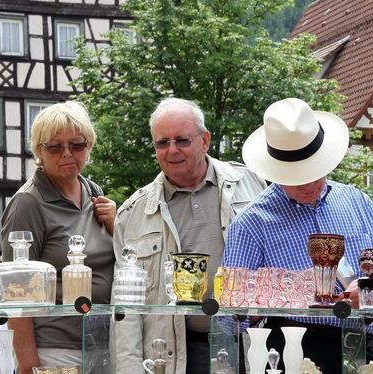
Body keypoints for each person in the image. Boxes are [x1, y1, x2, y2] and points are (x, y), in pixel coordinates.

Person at [222, 98, 373, 373]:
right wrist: (255, 306)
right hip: (291, 350)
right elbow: (227, 317)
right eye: (296, 176)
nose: (308, 184)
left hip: (363, 346)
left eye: (314, 171)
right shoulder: (251, 223)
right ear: (275, 170)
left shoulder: (358, 203)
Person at [112, 97, 267, 374]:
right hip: (180, 354)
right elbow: (126, 310)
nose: (172, 150)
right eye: (163, 143)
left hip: (250, 343)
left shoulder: (251, 185)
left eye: (182, 140)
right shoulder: (132, 214)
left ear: (205, 140)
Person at [0, 101, 116, 374]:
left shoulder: (93, 192)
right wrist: (29, 366)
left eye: (76, 145)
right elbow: (17, 297)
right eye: (54, 147)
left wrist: (117, 226)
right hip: (54, 352)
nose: (67, 154)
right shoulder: (28, 202)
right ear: (38, 151)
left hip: (102, 344)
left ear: (89, 146)